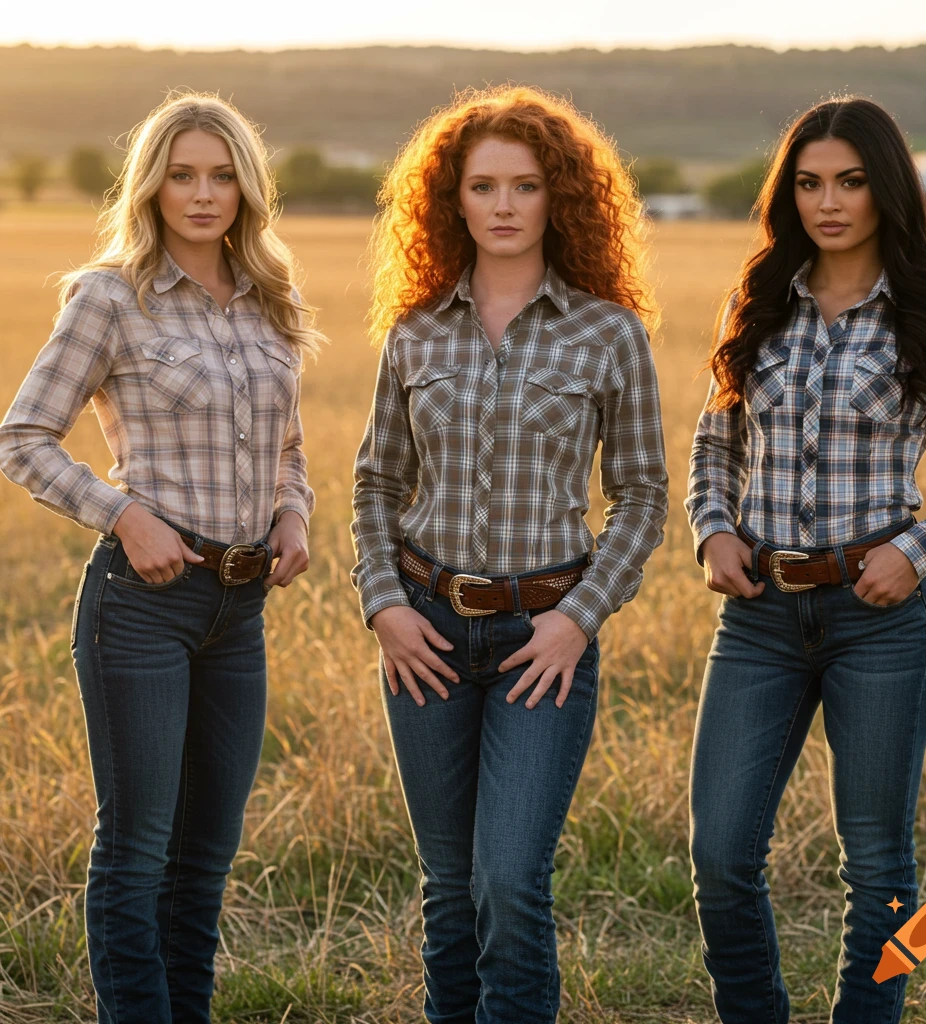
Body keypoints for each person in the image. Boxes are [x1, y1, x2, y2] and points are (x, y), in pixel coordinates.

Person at [685, 96, 926, 1023]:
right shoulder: (755, 304)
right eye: (807, 183)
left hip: (880, 621)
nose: (827, 202)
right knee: (720, 854)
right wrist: (713, 527)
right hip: (757, 616)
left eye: (850, 181)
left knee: (877, 865)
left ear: (887, 191)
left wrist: (917, 553)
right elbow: (716, 446)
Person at [0, 92, 322, 1024]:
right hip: (140, 606)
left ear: (248, 188)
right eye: (182, 174)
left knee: (207, 855)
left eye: (222, 175)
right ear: (151, 185)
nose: (203, 193)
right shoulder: (110, 297)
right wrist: (122, 516)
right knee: (138, 849)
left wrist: (292, 515)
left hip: (240, 607)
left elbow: (288, 446)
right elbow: (23, 437)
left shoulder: (270, 299)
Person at [351, 85, 668, 1023]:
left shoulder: (608, 333)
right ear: (451, 200)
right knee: (448, 890)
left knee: (509, 883)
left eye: (524, 186)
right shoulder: (415, 333)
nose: (501, 205)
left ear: (556, 198)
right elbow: (375, 483)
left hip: (546, 642)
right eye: (482, 185)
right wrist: (385, 606)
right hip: (428, 635)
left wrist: (579, 618)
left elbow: (645, 493)